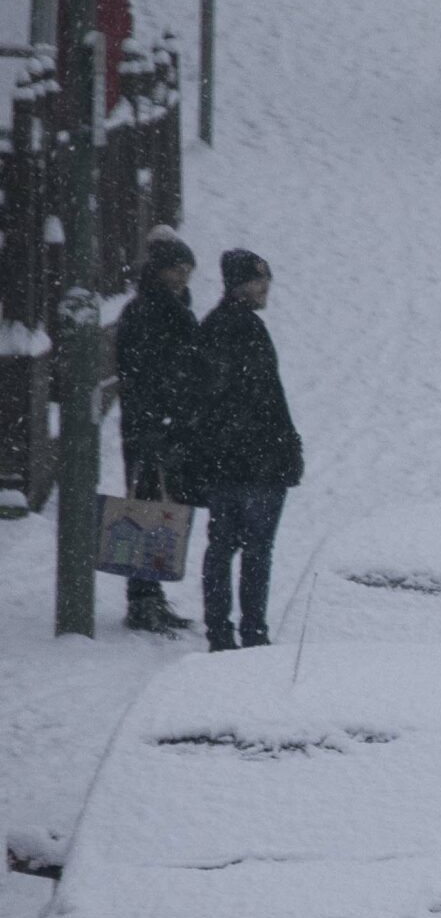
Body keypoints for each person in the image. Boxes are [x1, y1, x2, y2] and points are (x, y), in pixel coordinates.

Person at [193, 250, 302, 651]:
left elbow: (204, 399)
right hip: (258, 462)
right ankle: (253, 631)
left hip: (225, 461)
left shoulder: (211, 327)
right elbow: (266, 399)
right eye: (259, 280)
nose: (265, 287)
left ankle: (219, 630)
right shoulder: (248, 331)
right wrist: (285, 449)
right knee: (256, 549)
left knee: (221, 546)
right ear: (239, 284)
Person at [110, 230, 200, 634]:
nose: (183, 277)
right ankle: (142, 599)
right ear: (160, 270)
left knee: (161, 510)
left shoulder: (171, 308)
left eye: (187, 270)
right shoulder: (146, 312)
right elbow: (142, 372)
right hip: (151, 427)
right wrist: (158, 417)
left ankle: (152, 595)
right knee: (144, 511)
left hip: (165, 424)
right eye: (177, 269)